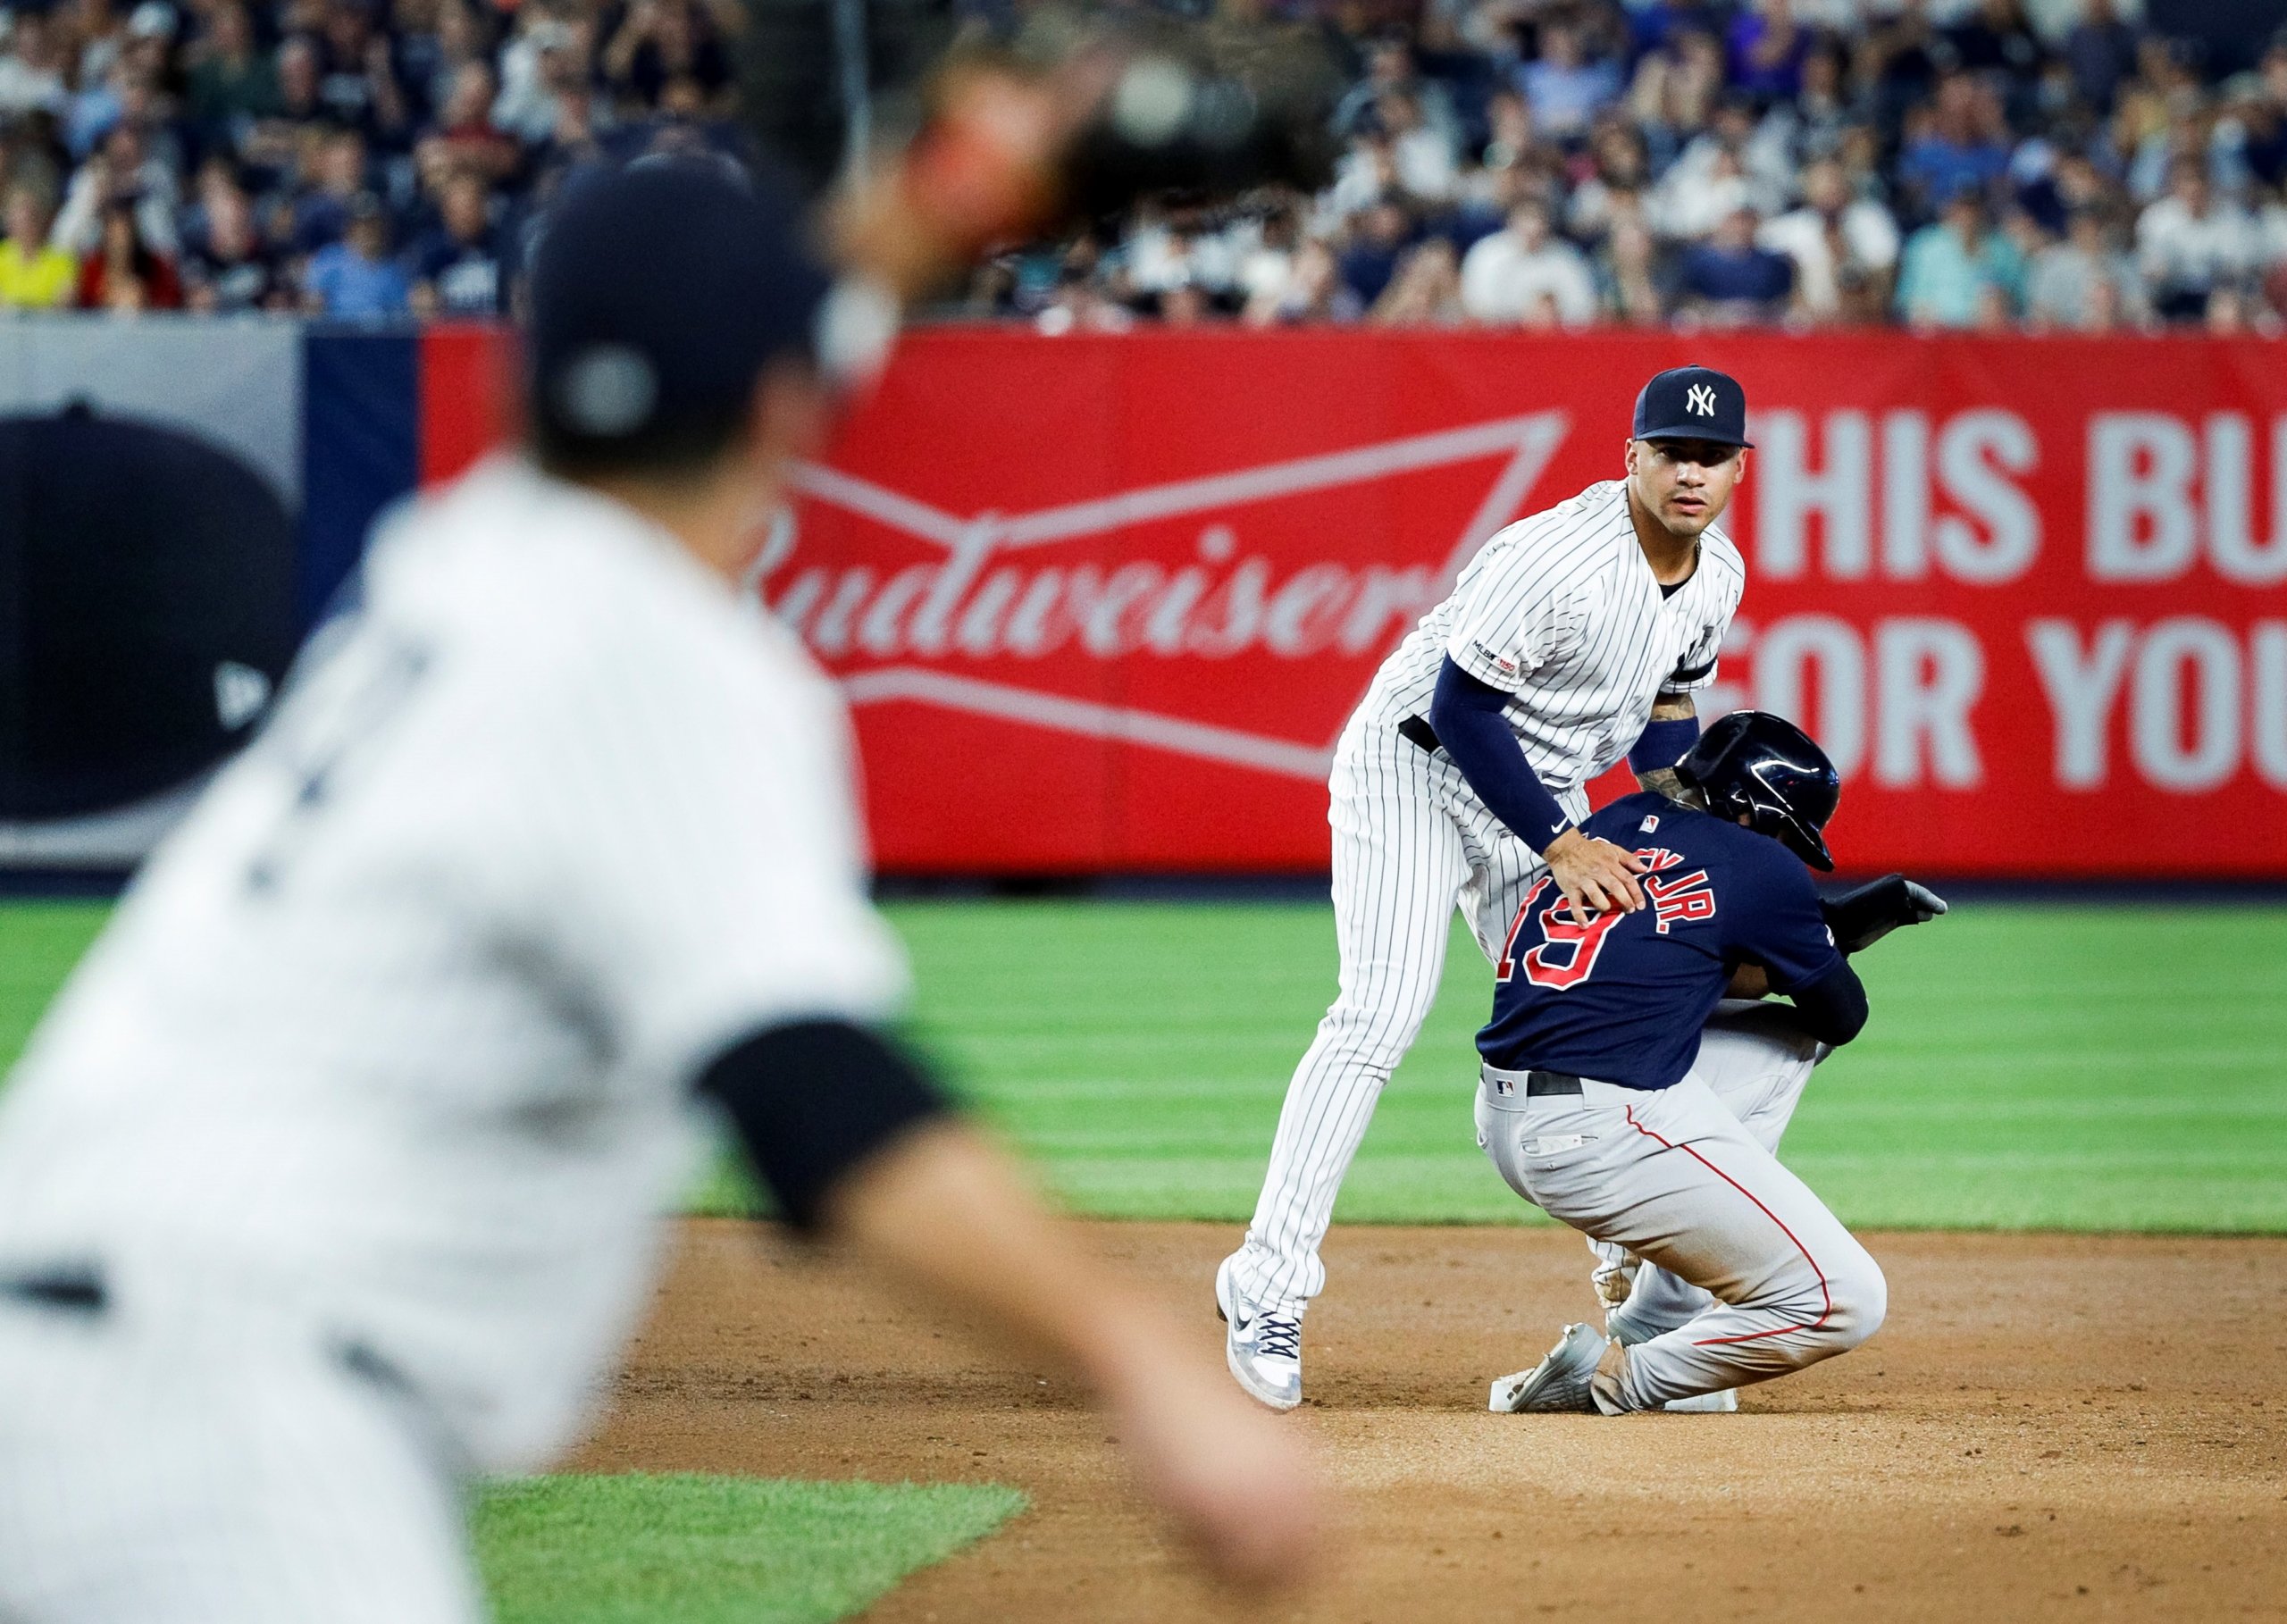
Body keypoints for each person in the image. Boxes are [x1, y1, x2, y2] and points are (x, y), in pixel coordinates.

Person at [0, 160, 1319, 1623]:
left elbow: (759, 329)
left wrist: (949, 194)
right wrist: (1140, 1361)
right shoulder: (654, 658)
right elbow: (812, 1087)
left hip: (64, 1351)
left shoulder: (467, 551)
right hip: (224, 1427)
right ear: (783, 406)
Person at [1218, 364, 1751, 1410]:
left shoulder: (1718, 577)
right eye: (1672, 452)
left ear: (1738, 469)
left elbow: (1664, 726)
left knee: (1602, 1015)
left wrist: (1697, 838)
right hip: (1413, 766)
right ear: (1630, 456)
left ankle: (1641, 1291)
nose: (1692, 472)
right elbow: (1464, 712)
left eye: (1712, 456)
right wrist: (1560, 844)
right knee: (1377, 1014)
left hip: (1535, 791)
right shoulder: (1557, 559)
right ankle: (1266, 1288)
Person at [1478, 713, 1942, 1414]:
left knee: (1782, 1041)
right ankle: (1622, 1379)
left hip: (1506, 1117)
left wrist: (1813, 930)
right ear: (1752, 809)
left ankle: (1661, 1318)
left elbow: (1692, 962)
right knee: (1845, 1300)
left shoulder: (1619, 819)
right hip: (1602, 1133)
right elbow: (1843, 1016)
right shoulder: (1759, 863)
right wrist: (1829, 932)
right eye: (1788, 830)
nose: (1791, 848)